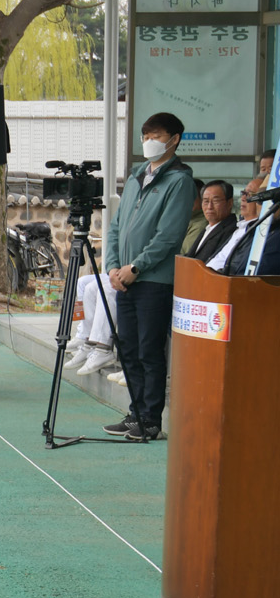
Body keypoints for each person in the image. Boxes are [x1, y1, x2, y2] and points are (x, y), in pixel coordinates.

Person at [101, 113, 196, 442]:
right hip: (125, 279)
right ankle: (135, 413)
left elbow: (168, 236)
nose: (149, 142)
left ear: (174, 139)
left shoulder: (179, 181)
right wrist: (113, 267)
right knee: (127, 349)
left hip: (154, 281)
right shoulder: (135, 177)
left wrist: (136, 267)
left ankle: (151, 420)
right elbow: (116, 227)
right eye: (145, 136)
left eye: (156, 136)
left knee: (149, 351)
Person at [209, 173, 270, 275]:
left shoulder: (259, 232)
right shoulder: (240, 227)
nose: (243, 198)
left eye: (250, 194)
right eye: (243, 193)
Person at [186, 181, 237, 263]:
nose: (209, 207)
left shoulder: (232, 230)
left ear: (230, 203)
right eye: (206, 201)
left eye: (216, 201)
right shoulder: (208, 228)